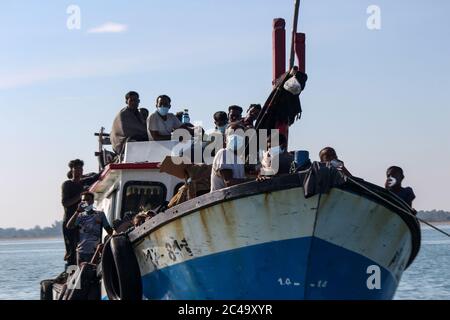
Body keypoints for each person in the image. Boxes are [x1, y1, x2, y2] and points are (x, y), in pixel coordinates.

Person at [61, 160, 99, 267]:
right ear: (71, 170)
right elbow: (65, 203)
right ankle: (70, 271)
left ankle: (82, 269)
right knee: (71, 250)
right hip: (70, 221)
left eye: (81, 168)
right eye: (76, 168)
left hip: (82, 222)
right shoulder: (67, 184)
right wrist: (80, 195)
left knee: (82, 247)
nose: (79, 171)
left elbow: (95, 177)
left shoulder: (84, 182)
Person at [66, 192, 113, 266]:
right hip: (81, 252)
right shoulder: (79, 216)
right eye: (83, 200)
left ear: (92, 201)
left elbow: (109, 231)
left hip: (95, 252)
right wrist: (77, 211)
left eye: (88, 200)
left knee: (93, 272)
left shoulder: (100, 214)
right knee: (83, 274)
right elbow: (69, 226)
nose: (85, 202)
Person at [210, 123, 248, 192]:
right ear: (225, 139)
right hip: (221, 200)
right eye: (231, 134)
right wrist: (254, 181)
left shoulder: (239, 159)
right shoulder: (224, 153)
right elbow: (229, 182)